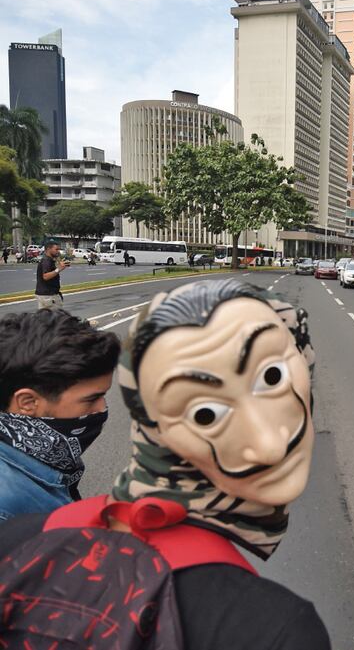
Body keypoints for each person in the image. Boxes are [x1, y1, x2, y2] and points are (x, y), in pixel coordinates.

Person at [0, 279, 330, 649]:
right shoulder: (275, 629)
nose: (268, 446)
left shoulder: (23, 538)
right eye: (205, 413)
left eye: (272, 378)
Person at [0, 309, 120, 521]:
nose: (102, 408)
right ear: (28, 402)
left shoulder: (41, 452)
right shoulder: (9, 505)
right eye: (91, 399)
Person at [35, 240, 69, 309]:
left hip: (45, 294)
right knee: (55, 317)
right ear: (48, 249)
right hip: (49, 295)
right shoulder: (46, 261)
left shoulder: (49, 260)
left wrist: (59, 263)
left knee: (45, 317)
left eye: (58, 249)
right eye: (56, 249)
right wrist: (59, 269)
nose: (58, 251)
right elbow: (46, 276)